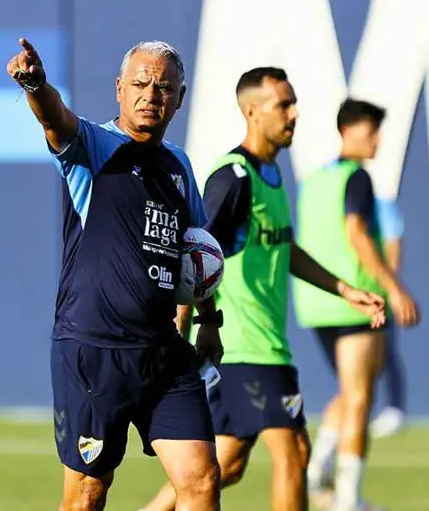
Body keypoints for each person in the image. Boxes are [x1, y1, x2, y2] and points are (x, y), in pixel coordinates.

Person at [141, 68, 386, 511]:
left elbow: (284, 248)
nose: (294, 114)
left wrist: (344, 289)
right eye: (283, 105)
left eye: (294, 103)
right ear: (252, 111)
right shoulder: (234, 178)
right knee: (294, 452)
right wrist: (187, 328)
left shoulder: (270, 174)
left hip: (261, 343)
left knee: (225, 466)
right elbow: (195, 256)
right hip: (243, 345)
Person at [7, 38, 224, 511]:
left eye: (164, 87)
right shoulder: (94, 147)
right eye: (141, 84)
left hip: (162, 353)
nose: (151, 94)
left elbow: (195, 253)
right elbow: (54, 119)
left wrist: (209, 320)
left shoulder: (179, 166)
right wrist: (36, 87)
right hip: (94, 351)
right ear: (119, 89)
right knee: (87, 494)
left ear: (180, 98)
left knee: (202, 480)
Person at [294, 98, 421, 511]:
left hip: (316, 302)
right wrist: (394, 288)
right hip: (356, 301)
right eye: (371, 131)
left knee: (351, 391)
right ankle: (348, 499)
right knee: (361, 398)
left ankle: (317, 468)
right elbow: (358, 235)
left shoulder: (314, 181)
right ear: (347, 131)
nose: (378, 140)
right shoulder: (357, 178)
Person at [369, 197, 408, 439]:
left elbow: (393, 242)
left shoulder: (380, 204)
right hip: (351, 295)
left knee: (384, 351)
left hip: (377, 294)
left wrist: (391, 287)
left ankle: (394, 407)